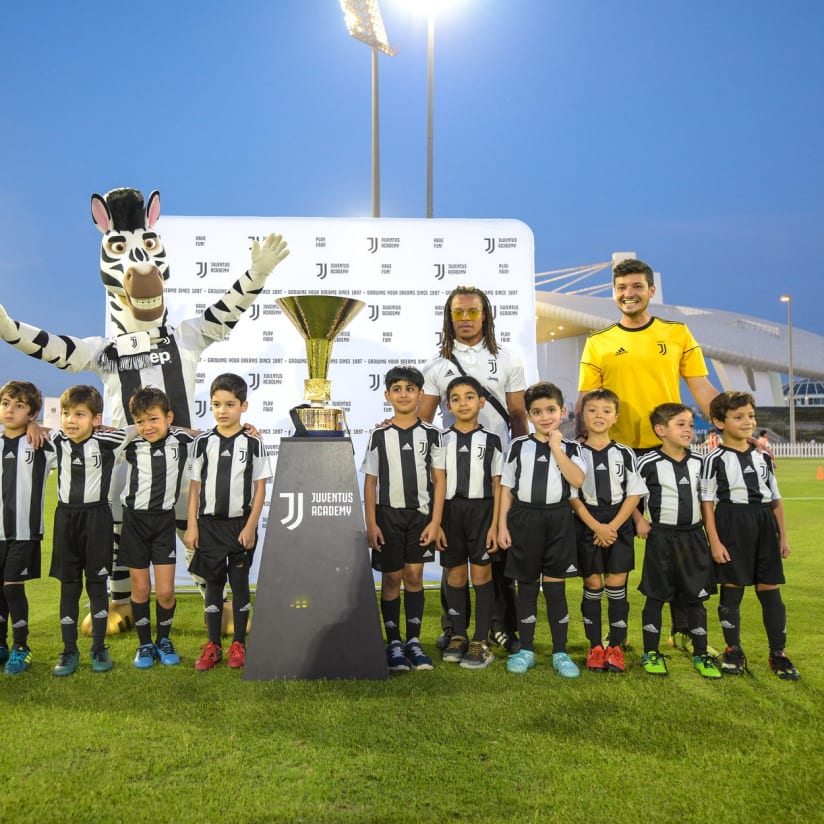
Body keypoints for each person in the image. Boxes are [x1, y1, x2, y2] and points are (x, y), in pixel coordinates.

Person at [577, 257, 719, 651]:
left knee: (674, 541)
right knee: (611, 543)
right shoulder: (599, 341)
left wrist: (733, 427)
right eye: (622, 288)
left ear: (652, 290)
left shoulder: (676, 333)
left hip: (667, 453)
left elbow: (702, 387)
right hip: (618, 458)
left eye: (637, 286)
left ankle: (680, 628)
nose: (629, 294)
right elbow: (587, 401)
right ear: (614, 292)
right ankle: (610, 635)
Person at [420, 285, 528, 655]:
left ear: (486, 315)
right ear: (449, 318)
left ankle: (500, 627)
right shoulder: (437, 366)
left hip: (496, 475)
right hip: (454, 480)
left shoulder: (509, 359)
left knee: (496, 555)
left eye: (472, 312)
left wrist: (521, 458)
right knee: (454, 561)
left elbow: (517, 415)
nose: (465, 319)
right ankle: (454, 628)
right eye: (458, 313)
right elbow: (423, 419)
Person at [700, 391, 799, 680]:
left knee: (770, 592)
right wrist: (715, 541)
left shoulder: (763, 458)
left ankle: (778, 653)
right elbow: (707, 503)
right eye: (738, 417)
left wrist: (783, 537)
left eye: (751, 416)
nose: (747, 422)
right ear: (719, 422)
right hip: (731, 522)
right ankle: (733, 650)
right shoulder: (714, 459)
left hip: (764, 523)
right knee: (732, 590)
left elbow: (776, 501)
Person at [497, 382, 586, 678]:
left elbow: (577, 480)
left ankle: (560, 651)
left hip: (558, 519)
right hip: (524, 519)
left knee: (555, 587)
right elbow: (506, 488)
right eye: (537, 412)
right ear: (529, 415)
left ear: (562, 411)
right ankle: (527, 649)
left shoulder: (572, 447)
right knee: (527, 586)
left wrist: (556, 447)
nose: (545, 416)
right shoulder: (518, 446)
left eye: (551, 410)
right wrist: (501, 526)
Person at [184, 373, 272, 671]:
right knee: (213, 585)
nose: (223, 410)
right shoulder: (202, 443)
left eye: (230, 404)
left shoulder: (254, 443)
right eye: (216, 404)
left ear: (243, 406)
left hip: (239, 526)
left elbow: (260, 488)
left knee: (239, 583)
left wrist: (250, 526)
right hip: (208, 525)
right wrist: (193, 525)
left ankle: (239, 644)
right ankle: (213, 645)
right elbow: (195, 487)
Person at [362, 365, 445, 673]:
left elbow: (440, 480)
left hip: (420, 517)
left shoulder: (433, 435)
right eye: (397, 389)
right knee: (391, 579)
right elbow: (371, 481)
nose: (404, 394)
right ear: (387, 395)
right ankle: (393, 642)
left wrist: (436, 522)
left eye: (410, 389)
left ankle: (413, 641)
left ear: (420, 394)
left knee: (414, 577)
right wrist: (371, 523)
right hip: (387, 517)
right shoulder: (378, 434)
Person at [48, 385, 131, 675]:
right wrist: (33, 425)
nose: (71, 420)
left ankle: (98, 648)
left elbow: (143, 427)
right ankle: (69, 651)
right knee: (68, 587)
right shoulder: (55, 440)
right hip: (66, 519)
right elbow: (25, 434)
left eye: (79, 414)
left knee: (97, 586)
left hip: (98, 518)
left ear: (96, 418)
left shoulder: (110, 439)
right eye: (66, 414)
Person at [636, 403, 721, 679]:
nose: (688, 430)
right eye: (680, 424)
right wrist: (639, 519)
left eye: (690, 425)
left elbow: (708, 500)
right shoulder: (648, 463)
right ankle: (651, 651)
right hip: (661, 537)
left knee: (696, 598)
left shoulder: (700, 462)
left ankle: (700, 653)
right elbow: (629, 497)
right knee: (656, 596)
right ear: (661, 430)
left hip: (694, 537)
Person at [570, 389, 646, 673]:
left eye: (605, 410)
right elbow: (572, 495)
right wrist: (596, 527)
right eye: (592, 410)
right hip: (587, 522)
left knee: (616, 588)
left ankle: (615, 646)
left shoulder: (625, 453)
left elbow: (634, 494)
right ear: (583, 415)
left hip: (618, 523)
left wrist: (611, 526)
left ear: (616, 416)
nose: (599, 415)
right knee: (592, 586)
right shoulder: (574, 452)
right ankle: (595, 647)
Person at [120, 386, 195, 669]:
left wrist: (246, 427)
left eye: (153, 419)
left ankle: (163, 640)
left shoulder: (182, 439)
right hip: (134, 522)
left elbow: (215, 435)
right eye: (140, 421)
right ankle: (144, 645)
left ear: (169, 418)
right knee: (140, 590)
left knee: (165, 592)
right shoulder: (129, 441)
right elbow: (96, 434)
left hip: (163, 522)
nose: (146, 426)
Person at [439, 375, 503, 669]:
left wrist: (495, 525)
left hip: (482, 513)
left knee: (481, 576)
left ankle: (480, 639)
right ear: (448, 405)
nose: (462, 403)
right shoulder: (441, 439)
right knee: (454, 576)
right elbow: (435, 483)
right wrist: (437, 521)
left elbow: (498, 483)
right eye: (455, 398)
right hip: (451, 513)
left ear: (481, 401)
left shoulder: (492, 440)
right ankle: (459, 635)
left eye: (468, 396)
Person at [0, 381, 56, 674]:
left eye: (19, 406)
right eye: (6, 403)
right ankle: (1, 643)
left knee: (12, 587)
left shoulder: (40, 445)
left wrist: (41, 427)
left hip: (24, 532)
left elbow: (76, 435)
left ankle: (21, 646)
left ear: (32, 412)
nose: (10, 410)